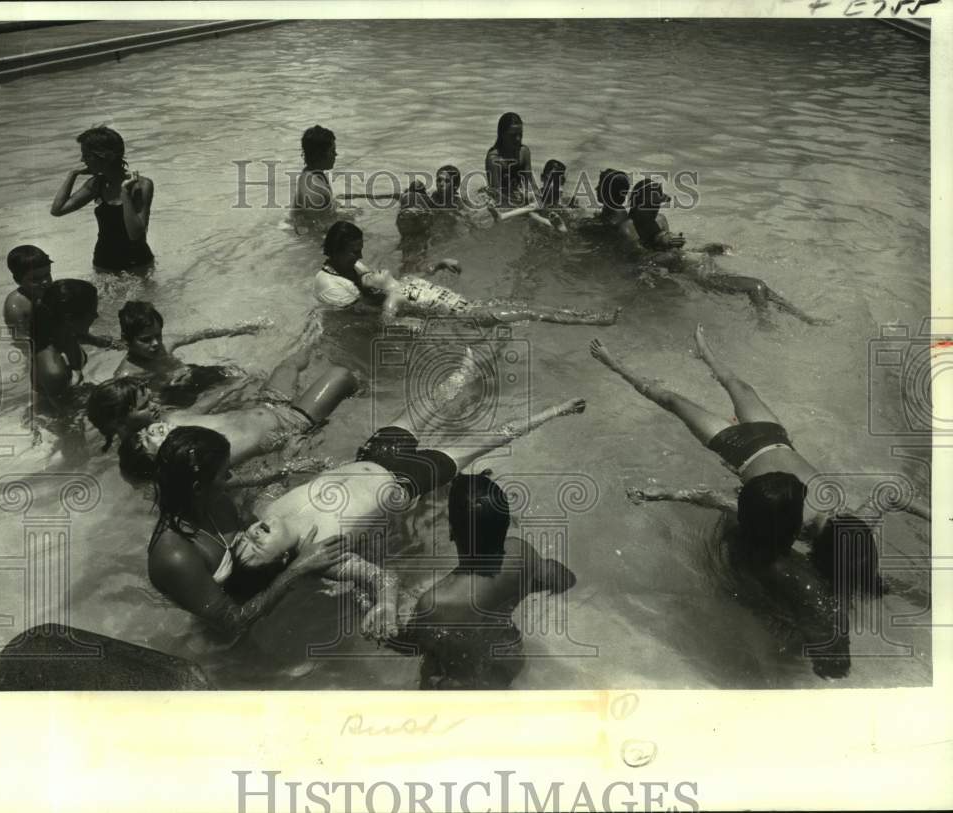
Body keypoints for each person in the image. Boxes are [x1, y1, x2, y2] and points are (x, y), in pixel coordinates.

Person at [590, 328, 930, 675]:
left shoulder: (794, 520)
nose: (835, 513)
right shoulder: (842, 526)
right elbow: (887, 496)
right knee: (736, 386)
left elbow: (718, 499)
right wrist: (935, 515)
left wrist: (665, 492)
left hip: (737, 446)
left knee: (674, 400)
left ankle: (616, 364)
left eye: (833, 519)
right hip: (774, 436)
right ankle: (705, 353)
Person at [228, 345, 589, 639]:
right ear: (281, 562)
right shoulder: (323, 557)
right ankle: (556, 411)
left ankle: (477, 361)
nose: (252, 535)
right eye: (256, 549)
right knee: (488, 440)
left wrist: (288, 457)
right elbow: (383, 577)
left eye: (244, 539)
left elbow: (269, 477)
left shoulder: (265, 508)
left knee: (435, 399)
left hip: (375, 454)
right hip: (408, 481)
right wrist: (384, 604)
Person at [147, 426, 351, 638]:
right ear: (198, 488)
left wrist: (284, 462)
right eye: (224, 473)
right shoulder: (175, 556)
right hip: (228, 637)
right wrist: (298, 569)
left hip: (262, 589)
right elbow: (233, 623)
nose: (231, 477)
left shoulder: (210, 500)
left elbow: (252, 509)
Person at [391, 470, 576, 689]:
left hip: (461, 679)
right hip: (508, 655)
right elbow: (560, 580)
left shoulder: (438, 602)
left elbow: (410, 645)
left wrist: (372, 597)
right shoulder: (522, 552)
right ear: (507, 524)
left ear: (451, 531)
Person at [89, 345, 357, 475]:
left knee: (292, 362)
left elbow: (199, 408)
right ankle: (365, 388)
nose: (155, 406)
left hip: (264, 404)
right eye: (145, 406)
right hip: (291, 424)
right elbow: (210, 485)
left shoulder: (163, 421)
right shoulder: (161, 455)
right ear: (119, 422)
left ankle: (326, 337)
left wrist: (234, 386)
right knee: (341, 375)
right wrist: (283, 465)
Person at [314, 222, 618, 328]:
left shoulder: (397, 282)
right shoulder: (390, 293)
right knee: (532, 312)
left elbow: (419, 272)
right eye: (355, 253)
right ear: (337, 251)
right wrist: (408, 323)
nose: (365, 264)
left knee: (528, 306)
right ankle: (591, 319)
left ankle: (584, 315)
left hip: (471, 306)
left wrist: (440, 263)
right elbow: (384, 319)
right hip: (469, 316)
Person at [627, 180, 826, 324]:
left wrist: (709, 248)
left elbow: (681, 253)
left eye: (657, 204)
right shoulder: (664, 256)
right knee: (757, 286)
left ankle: (804, 318)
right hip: (709, 278)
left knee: (765, 290)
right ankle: (766, 325)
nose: (657, 209)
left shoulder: (668, 249)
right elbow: (650, 264)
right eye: (653, 205)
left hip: (708, 269)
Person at [112, 300, 268, 402]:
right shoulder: (127, 375)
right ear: (127, 340)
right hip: (174, 394)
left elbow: (202, 334)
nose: (156, 343)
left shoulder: (166, 342)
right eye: (146, 339)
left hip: (193, 374)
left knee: (242, 375)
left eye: (158, 335)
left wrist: (240, 329)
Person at [50, 127, 154, 273]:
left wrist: (124, 193)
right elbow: (57, 210)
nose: (82, 160)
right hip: (103, 263)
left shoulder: (141, 185)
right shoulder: (96, 184)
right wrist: (72, 174)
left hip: (138, 264)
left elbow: (135, 233)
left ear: (108, 156)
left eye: (87, 155)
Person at [31, 279, 102, 407]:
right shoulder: (54, 371)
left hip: (78, 397)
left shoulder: (67, 333)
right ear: (69, 319)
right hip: (52, 418)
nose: (97, 316)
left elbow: (97, 341)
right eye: (92, 311)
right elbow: (66, 418)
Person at [2, 245, 54, 343]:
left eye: (47, 274)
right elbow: (20, 339)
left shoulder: (51, 290)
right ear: (17, 280)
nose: (45, 282)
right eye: (35, 279)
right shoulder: (16, 307)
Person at [293, 125, 338, 216]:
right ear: (320, 155)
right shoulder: (314, 189)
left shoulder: (313, 173)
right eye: (332, 151)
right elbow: (312, 226)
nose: (336, 154)